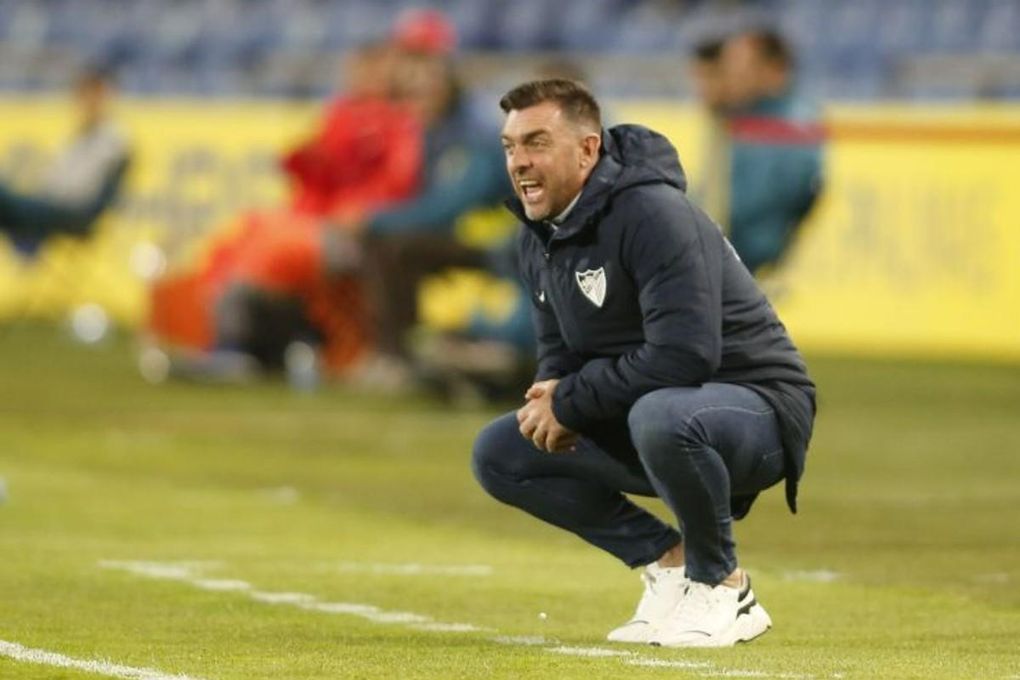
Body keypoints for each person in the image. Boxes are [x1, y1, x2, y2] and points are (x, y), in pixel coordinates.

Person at [471, 80, 816, 647]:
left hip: (756, 413)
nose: (519, 162)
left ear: (588, 149)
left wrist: (572, 400)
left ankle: (724, 584)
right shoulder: (539, 235)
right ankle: (671, 565)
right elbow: (558, 350)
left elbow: (686, 354)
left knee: (661, 414)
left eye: (537, 143)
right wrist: (550, 395)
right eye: (510, 146)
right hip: (654, 411)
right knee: (503, 451)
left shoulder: (653, 213)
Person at [690, 26, 825, 277]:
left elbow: (749, 209)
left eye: (740, 68)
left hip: (755, 270)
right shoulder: (743, 120)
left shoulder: (786, 128)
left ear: (772, 70)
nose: (732, 77)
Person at [0, 65, 131, 252]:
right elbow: (52, 178)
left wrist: (47, 196)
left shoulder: (114, 139)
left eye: (93, 94)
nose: (87, 102)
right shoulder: (78, 136)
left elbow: (81, 190)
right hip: (54, 205)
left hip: (75, 213)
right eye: (83, 94)